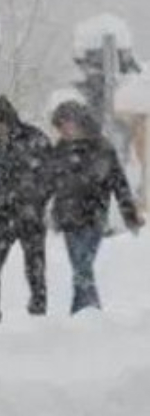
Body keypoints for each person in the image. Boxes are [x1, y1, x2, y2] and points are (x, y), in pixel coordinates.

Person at [47, 101, 143, 314]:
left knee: (82, 267)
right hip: (68, 218)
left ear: (79, 122)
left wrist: (130, 216)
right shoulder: (59, 150)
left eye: (66, 124)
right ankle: (87, 312)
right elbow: (49, 183)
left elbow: (119, 184)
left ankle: (85, 312)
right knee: (81, 268)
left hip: (93, 216)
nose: (64, 130)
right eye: (60, 126)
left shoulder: (102, 148)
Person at [0, 96, 53, 323]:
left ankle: (38, 311)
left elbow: (50, 176)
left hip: (30, 214)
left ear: (10, 120)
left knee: (34, 265)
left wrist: (34, 201)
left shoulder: (35, 139)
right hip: (3, 214)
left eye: (0, 123)